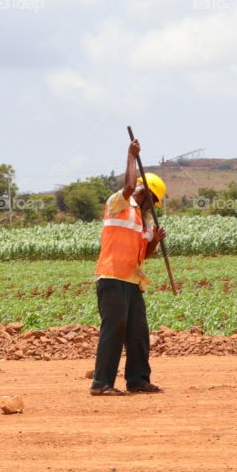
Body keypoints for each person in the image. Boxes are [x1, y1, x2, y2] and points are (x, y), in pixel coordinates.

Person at [90, 137, 167, 396]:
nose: (151, 208)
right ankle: (101, 384)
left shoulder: (142, 221)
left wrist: (155, 240)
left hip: (133, 281)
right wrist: (131, 155)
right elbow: (130, 184)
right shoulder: (118, 203)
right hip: (111, 278)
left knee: (138, 332)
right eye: (152, 202)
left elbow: (145, 254)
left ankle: (137, 380)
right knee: (114, 330)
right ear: (145, 194)